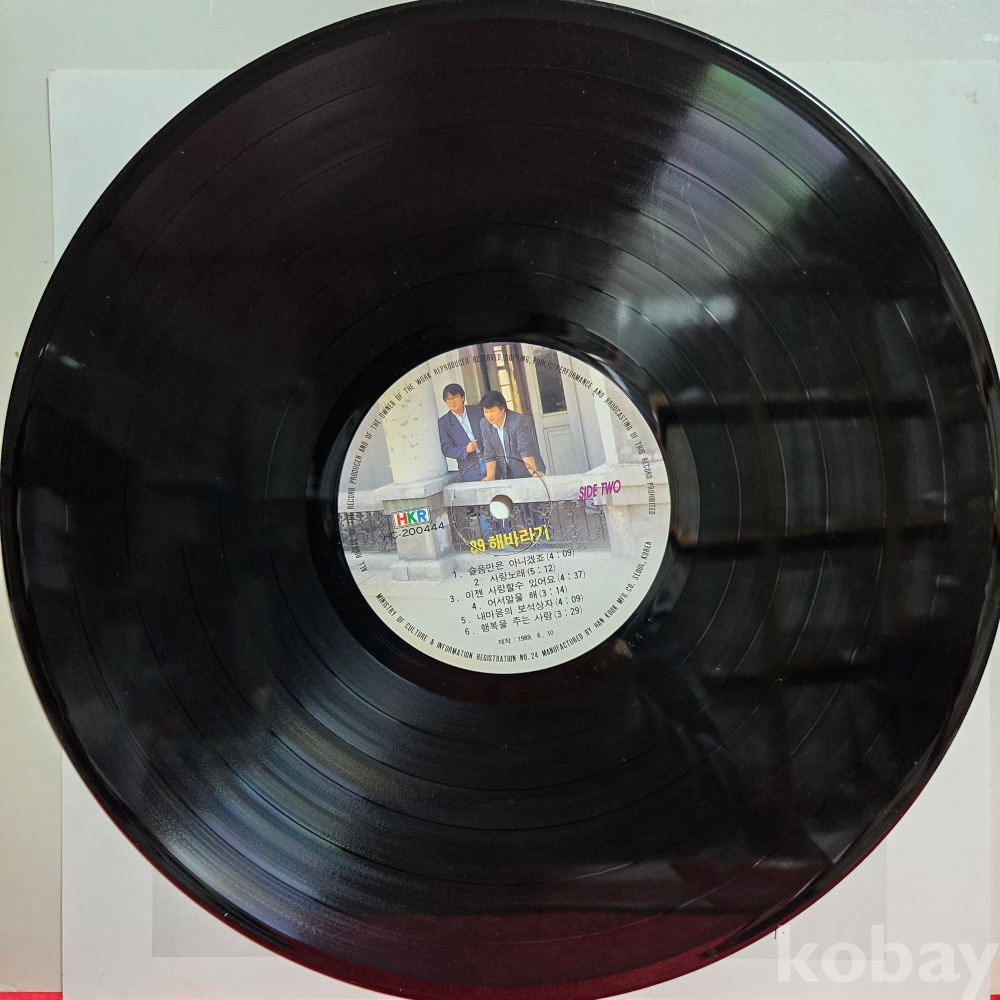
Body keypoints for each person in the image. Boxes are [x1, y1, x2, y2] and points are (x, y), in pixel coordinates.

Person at [479, 390, 546, 480]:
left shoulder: (518, 421)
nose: (489, 415)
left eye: (492, 411)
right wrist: (490, 476)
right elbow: (489, 450)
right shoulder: (484, 424)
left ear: (502, 408)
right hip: (505, 470)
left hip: (527, 469)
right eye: (486, 412)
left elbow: (525, 449)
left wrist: (534, 472)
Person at [437, 383, 486, 482]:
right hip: (469, 468)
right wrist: (465, 449)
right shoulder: (444, 422)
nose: (452, 402)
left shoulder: (477, 411)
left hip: (489, 460)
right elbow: (446, 449)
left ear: (463, 397)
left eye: (455, 397)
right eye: (449, 399)